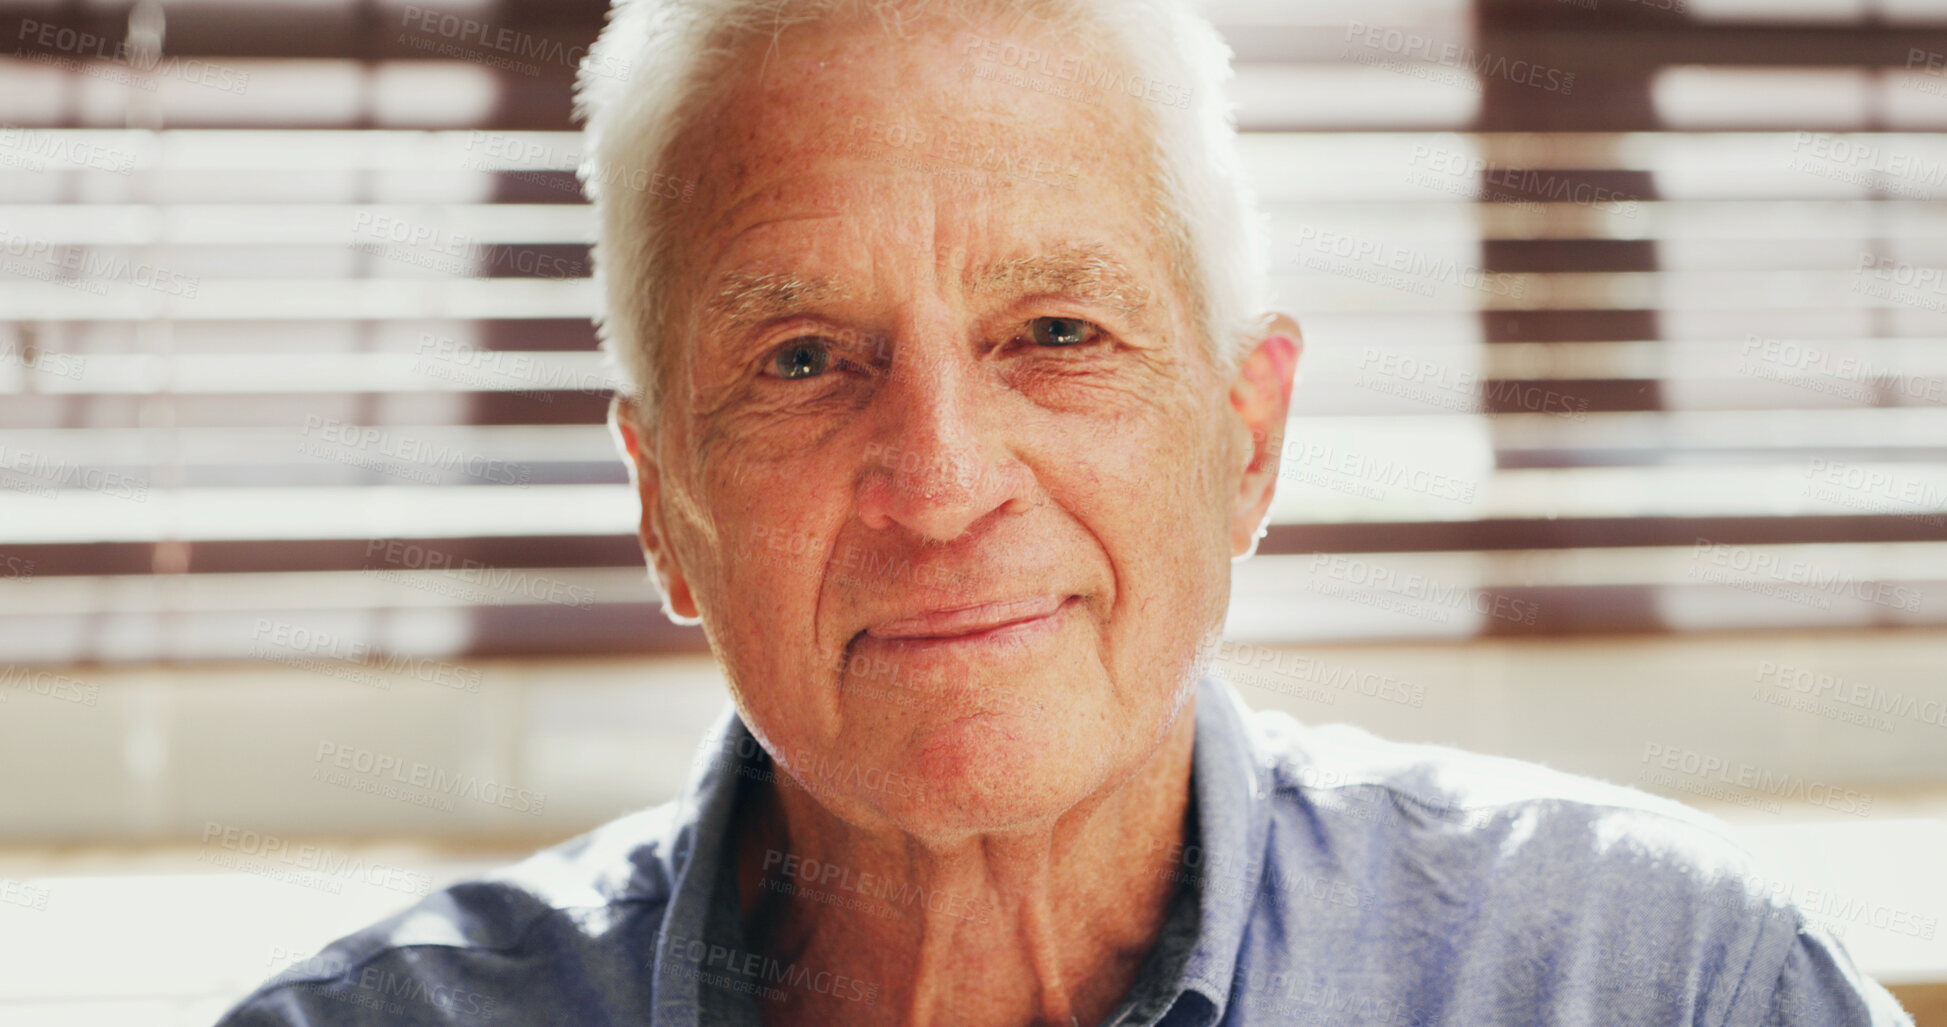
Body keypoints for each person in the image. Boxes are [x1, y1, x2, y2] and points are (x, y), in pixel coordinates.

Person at [217, 0, 1914, 1023]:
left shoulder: (1669, 988)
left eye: (1057, 335)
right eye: (807, 358)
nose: (945, 485)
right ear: (664, 508)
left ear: (1246, 439)